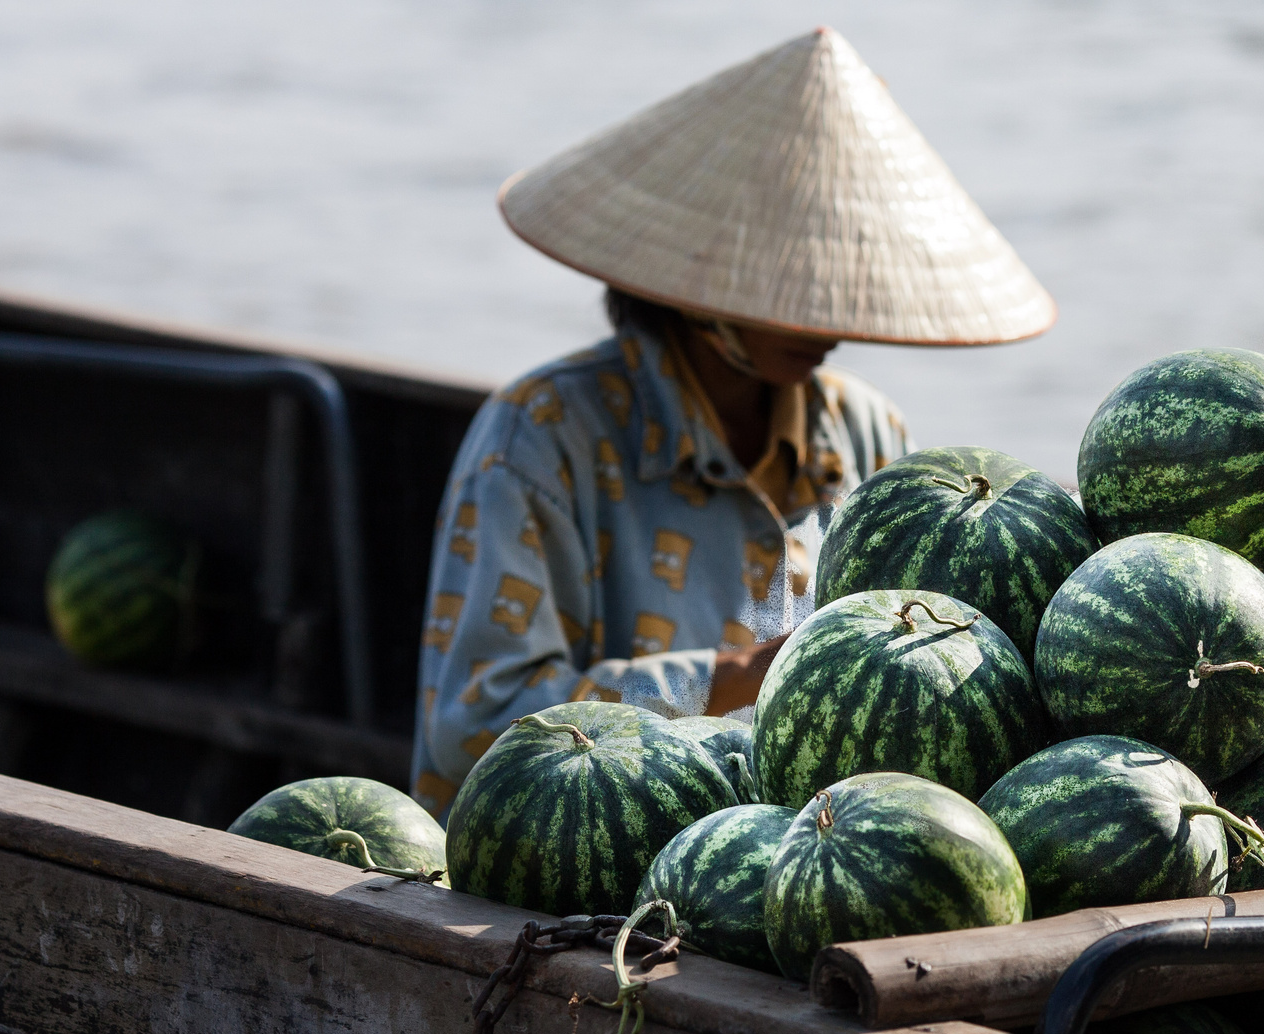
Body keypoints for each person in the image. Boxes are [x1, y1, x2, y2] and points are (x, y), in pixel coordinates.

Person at [410, 27, 1055, 817]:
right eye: (793, 280)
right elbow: (476, 725)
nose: (827, 315)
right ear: (691, 279)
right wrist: (749, 672)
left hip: (798, 846)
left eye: (841, 276)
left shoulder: (868, 432)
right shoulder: (542, 436)